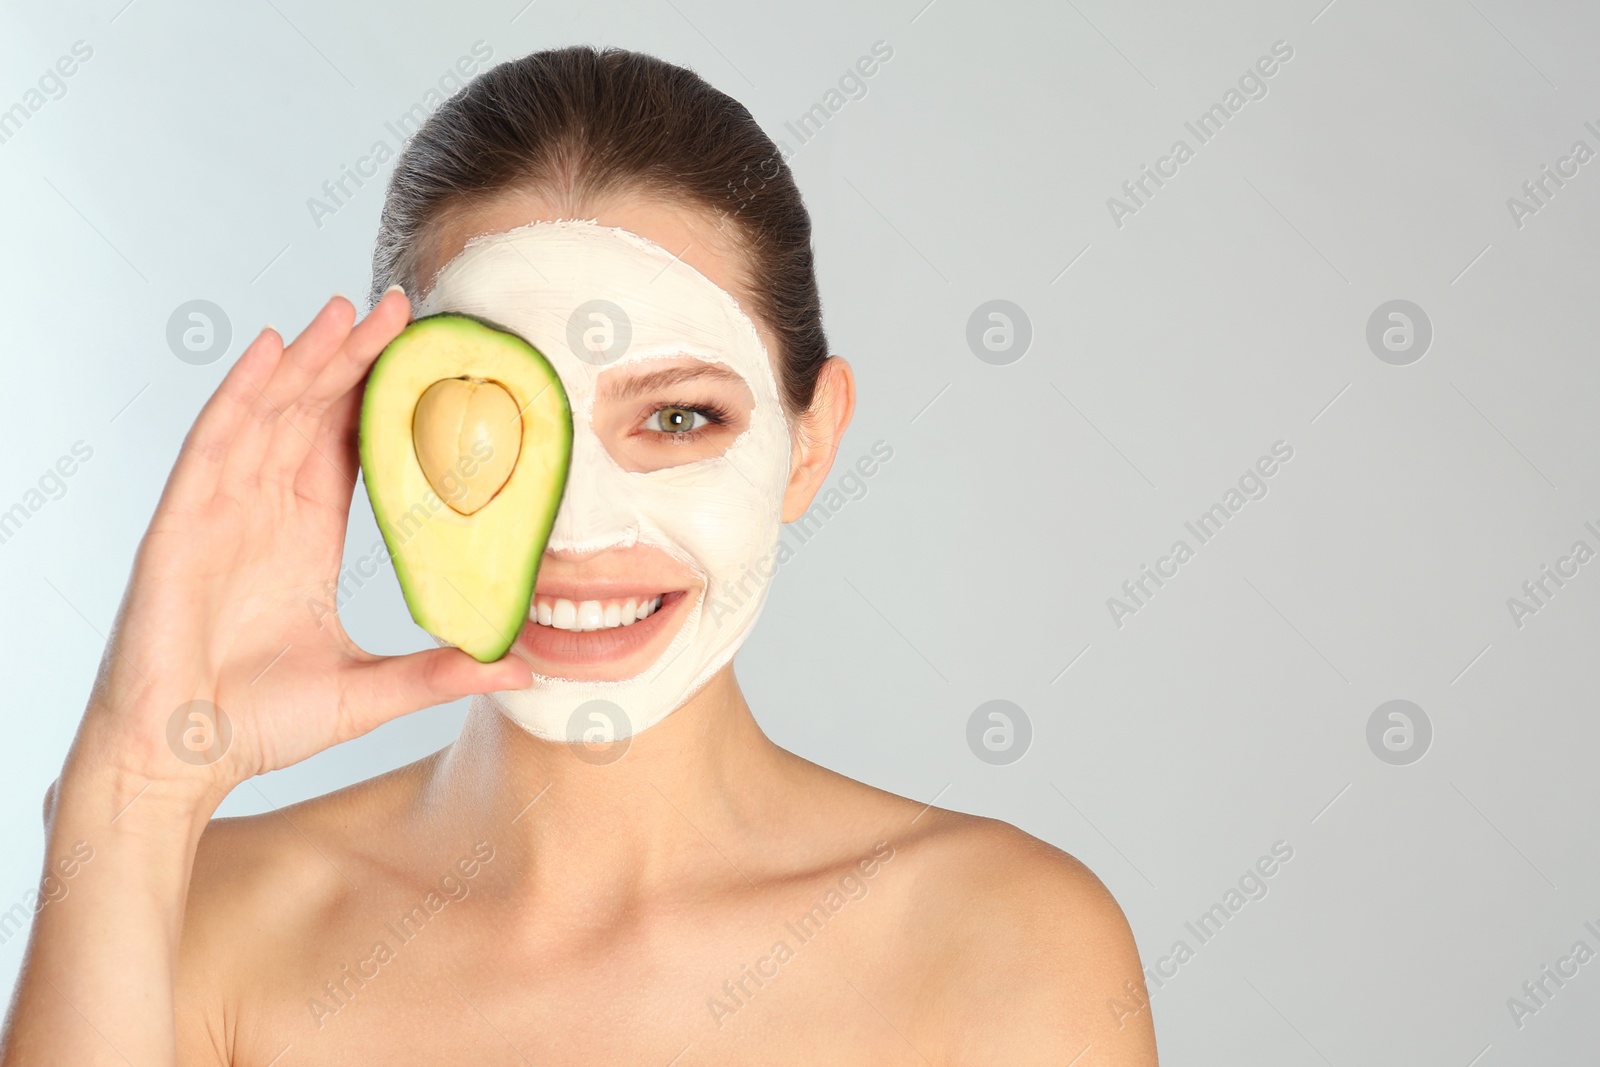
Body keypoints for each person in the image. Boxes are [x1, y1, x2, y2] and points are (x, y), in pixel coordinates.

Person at [0, 45, 1159, 1065]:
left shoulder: (1007, 944)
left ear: (810, 445)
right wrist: (133, 790)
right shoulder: (197, 919)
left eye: (676, 417)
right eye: (487, 419)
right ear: (373, 436)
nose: (575, 529)